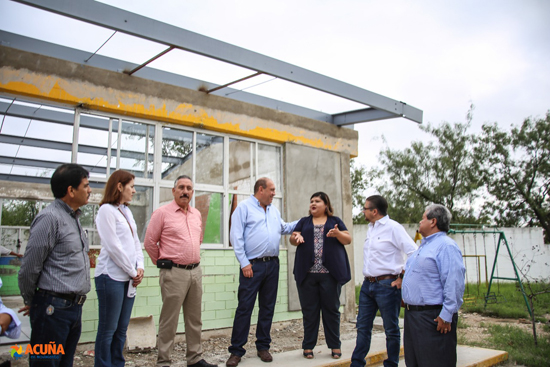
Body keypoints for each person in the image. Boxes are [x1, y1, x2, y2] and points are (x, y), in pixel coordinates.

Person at [18, 163, 92, 367]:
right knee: (46, 363)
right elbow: (29, 267)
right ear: (71, 190)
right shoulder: (49, 218)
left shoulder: (73, 217)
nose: (90, 190)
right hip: (53, 309)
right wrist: (33, 300)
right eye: (85, 186)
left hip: (73, 307)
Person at [144, 175, 217, 367]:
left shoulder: (196, 214)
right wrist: (162, 263)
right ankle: (164, 361)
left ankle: (194, 358)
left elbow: (198, 239)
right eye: (181, 187)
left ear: (192, 192)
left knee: (195, 319)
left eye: (189, 188)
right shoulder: (162, 213)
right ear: (174, 190)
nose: (185, 191)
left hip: (195, 271)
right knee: (169, 320)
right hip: (173, 273)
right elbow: (150, 242)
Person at [225, 178, 297, 367]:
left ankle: (263, 347)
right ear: (261, 189)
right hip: (252, 266)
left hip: (272, 265)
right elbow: (236, 237)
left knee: (267, 307)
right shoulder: (244, 208)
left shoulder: (273, 210)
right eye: (272, 190)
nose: (274, 193)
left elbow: (285, 228)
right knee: (245, 308)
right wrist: (244, 263)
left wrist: (306, 221)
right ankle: (236, 351)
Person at [350, 195, 417, 367]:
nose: (363, 211)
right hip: (368, 285)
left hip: (387, 285)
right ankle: (357, 363)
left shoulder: (393, 228)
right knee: (363, 327)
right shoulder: (371, 228)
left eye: (365, 208)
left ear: (374, 211)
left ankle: (391, 364)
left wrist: (402, 277)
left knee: (391, 329)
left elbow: (413, 252)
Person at [290, 192, 352, 360]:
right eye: (311, 201)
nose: (313, 203)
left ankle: (335, 345)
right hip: (307, 274)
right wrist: (297, 237)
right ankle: (308, 346)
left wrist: (337, 234)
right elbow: (292, 238)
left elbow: (348, 239)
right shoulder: (304, 222)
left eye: (317, 201)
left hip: (329, 275)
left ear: (326, 205)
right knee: (309, 312)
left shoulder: (335, 221)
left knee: (331, 311)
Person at [402, 204, 465, 367]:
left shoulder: (446, 246)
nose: (420, 222)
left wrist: (447, 314)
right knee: (415, 361)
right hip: (413, 317)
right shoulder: (423, 247)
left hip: (433, 317)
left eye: (423, 218)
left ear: (433, 221)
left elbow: (454, 282)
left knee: (435, 361)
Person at [94, 170, 145, 367]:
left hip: (129, 279)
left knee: (121, 329)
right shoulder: (106, 210)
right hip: (111, 277)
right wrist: (133, 272)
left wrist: (139, 267)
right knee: (108, 329)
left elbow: (135, 243)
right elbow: (113, 247)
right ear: (119, 186)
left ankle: (117, 363)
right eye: (131, 186)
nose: (134, 190)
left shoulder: (126, 211)